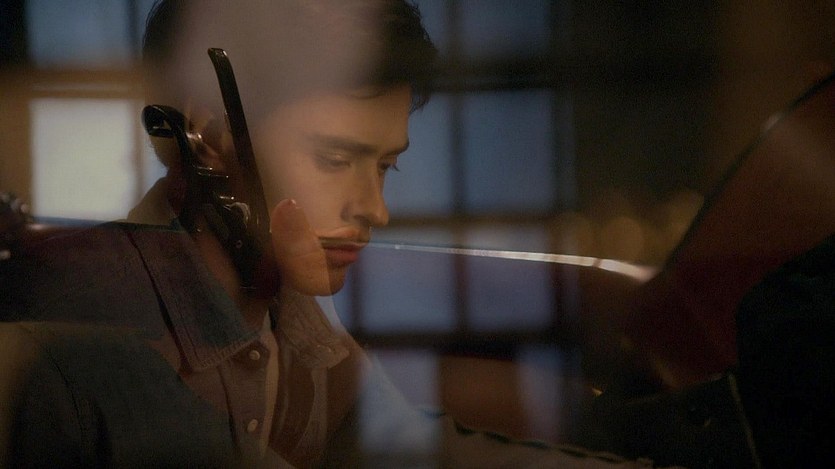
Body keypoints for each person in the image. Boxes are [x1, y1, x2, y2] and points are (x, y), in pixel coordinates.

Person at [0, 1, 672, 467]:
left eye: (385, 165)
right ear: (208, 133)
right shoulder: (79, 324)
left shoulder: (288, 316)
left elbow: (410, 449)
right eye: (333, 158)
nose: (375, 208)